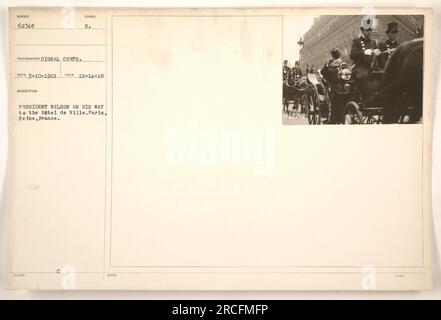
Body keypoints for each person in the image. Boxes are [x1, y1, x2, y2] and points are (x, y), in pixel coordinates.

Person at [349, 20, 381, 100]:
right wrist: (364, 52)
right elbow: (352, 55)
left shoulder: (373, 42)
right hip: (360, 66)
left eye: (370, 30)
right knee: (364, 76)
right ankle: (367, 98)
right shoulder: (357, 41)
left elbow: (377, 56)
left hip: (372, 66)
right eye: (367, 30)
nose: (369, 32)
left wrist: (378, 52)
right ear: (362, 31)